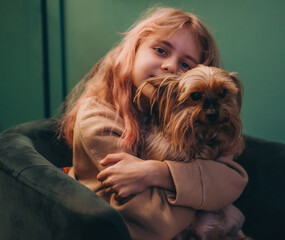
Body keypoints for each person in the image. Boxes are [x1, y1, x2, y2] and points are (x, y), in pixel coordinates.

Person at [59, 6, 248, 240]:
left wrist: (159, 173)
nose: (170, 66)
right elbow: (155, 223)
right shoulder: (98, 120)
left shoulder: (198, 123)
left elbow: (232, 182)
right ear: (134, 50)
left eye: (186, 65)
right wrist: (206, 192)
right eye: (160, 50)